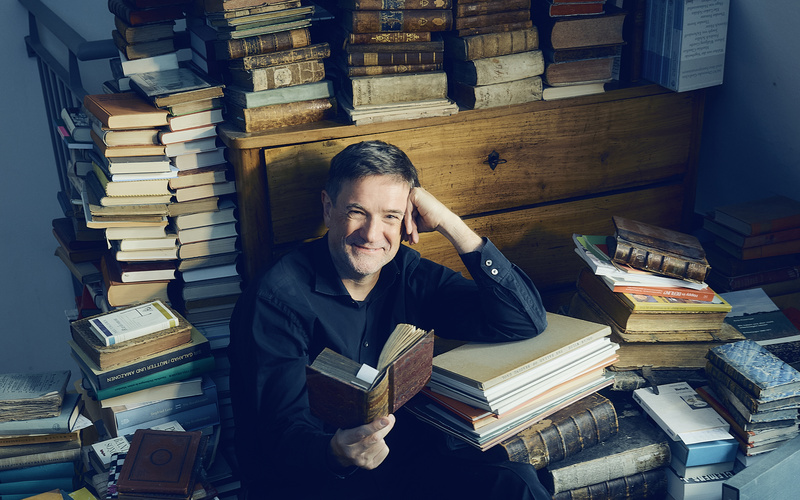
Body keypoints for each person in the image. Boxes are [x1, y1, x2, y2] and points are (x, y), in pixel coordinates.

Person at [228, 140, 551, 499]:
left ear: (406, 221)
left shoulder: (408, 273)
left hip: (405, 465)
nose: (371, 234)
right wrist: (337, 451)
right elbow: (280, 435)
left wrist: (450, 223)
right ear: (328, 207)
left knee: (515, 484)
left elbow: (523, 320)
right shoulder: (275, 299)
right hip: (319, 481)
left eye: (390, 217)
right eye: (357, 211)